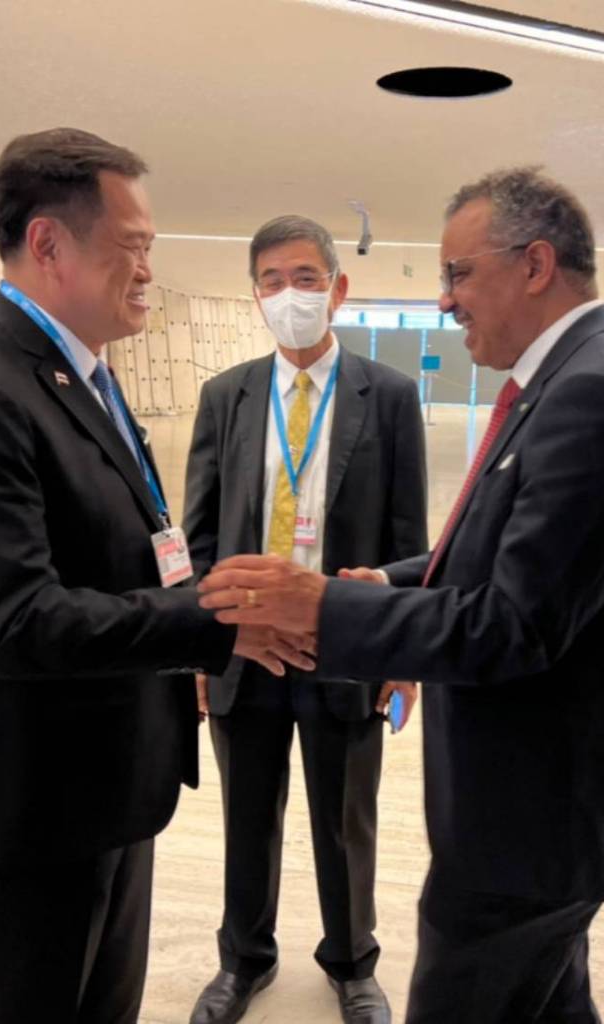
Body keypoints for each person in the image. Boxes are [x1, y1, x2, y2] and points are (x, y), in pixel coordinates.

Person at [197, 167, 604, 1023]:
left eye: (460, 274)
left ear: (535, 265)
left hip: (540, 812)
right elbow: (496, 552)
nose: (444, 300)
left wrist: (322, 607)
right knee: (548, 1001)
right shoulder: (571, 379)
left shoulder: (593, 394)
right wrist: (387, 582)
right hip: (542, 803)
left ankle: (348, 957)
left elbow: (513, 623)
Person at [0, 128, 311, 1024]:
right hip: (36, 803)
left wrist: (203, 603)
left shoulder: (83, 374)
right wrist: (209, 625)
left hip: (112, 779)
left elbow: (128, 546)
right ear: (49, 244)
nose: (149, 270)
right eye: (133, 246)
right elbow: (15, 624)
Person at [183, 215, 428, 1024]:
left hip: (342, 643)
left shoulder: (389, 397)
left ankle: (352, 963)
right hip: (245, 647)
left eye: (305, 278)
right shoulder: (225, 396)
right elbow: (201, 537)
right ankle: (243, 961)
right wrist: (198, 646)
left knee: (345, 820)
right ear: (255, 295)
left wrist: (404, 652)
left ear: (338, 288)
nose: (289, 295)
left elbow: (409, 541)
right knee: (247, 818)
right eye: (272, 281)